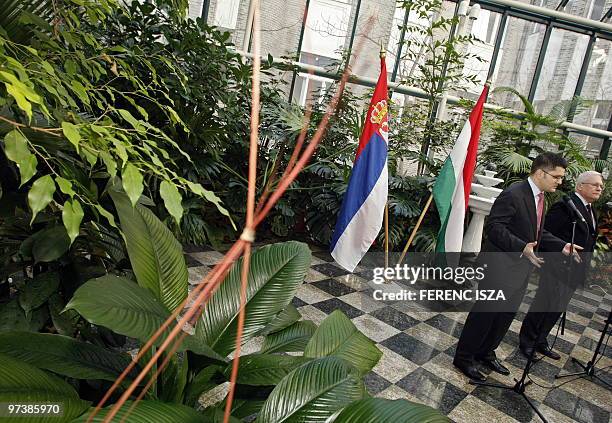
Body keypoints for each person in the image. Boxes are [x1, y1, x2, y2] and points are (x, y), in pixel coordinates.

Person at [453, 152, 582, 381]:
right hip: (500, 266)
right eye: (557, 176)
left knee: (505, 315)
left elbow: (537, 233)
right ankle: (464, 357)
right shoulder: (514, 194)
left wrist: (561, 246)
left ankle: (486, 353)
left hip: (521, 269)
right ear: (541, 173)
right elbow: (495, 228)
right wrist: (521, 246)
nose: (560, 182)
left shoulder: (542, 196)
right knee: (486, 314)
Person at [518, 171, 602, 359]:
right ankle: (527, 341)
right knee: (544, 303)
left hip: (575, 270)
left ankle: (541, 340)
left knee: (557, 306)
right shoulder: (566, 205)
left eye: (601, 186)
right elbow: (544, 233)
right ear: (580, 186)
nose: (599, 188)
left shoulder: (590, 209)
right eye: (595, 184)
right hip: (557, 266)